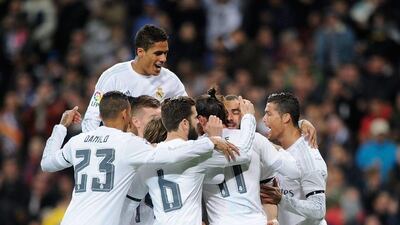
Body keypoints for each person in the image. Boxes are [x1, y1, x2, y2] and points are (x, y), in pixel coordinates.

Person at [40, 91, 237, 225]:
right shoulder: (128, 143)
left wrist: (60, 127)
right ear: (126, 113)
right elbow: (171, 152)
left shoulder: (79, 141)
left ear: (101, 115)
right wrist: (210, 142)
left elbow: (47, 163)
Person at [124, 96, 256, 225]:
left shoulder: (149, 158)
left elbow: (130, 203)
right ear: (185, 124)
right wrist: (248, 117)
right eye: (195, 117)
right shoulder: (198, 156)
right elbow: (243, 153)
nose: (198, 121)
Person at [82, 24, 187, 132]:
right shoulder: (113, 77)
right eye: (158, 53)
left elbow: (188, 114)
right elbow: (91, 118)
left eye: (165, 53)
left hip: (154, 146)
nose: (163, 59)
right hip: (120, 145)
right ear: (140, 52)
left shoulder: (170, 80)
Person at [198, 90, 280, 225]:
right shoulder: (199, 147)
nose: (230, 118)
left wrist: (271, 219)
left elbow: (268, 194)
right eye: (226, 113)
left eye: (236, 112)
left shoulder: (259, 144)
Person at [260, 92, 328, 225]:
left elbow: (319, 209)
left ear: (285, 118)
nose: (263, 119)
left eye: (269, 114)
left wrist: (282, 200)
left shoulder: (309, 157)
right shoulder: (280, 151)